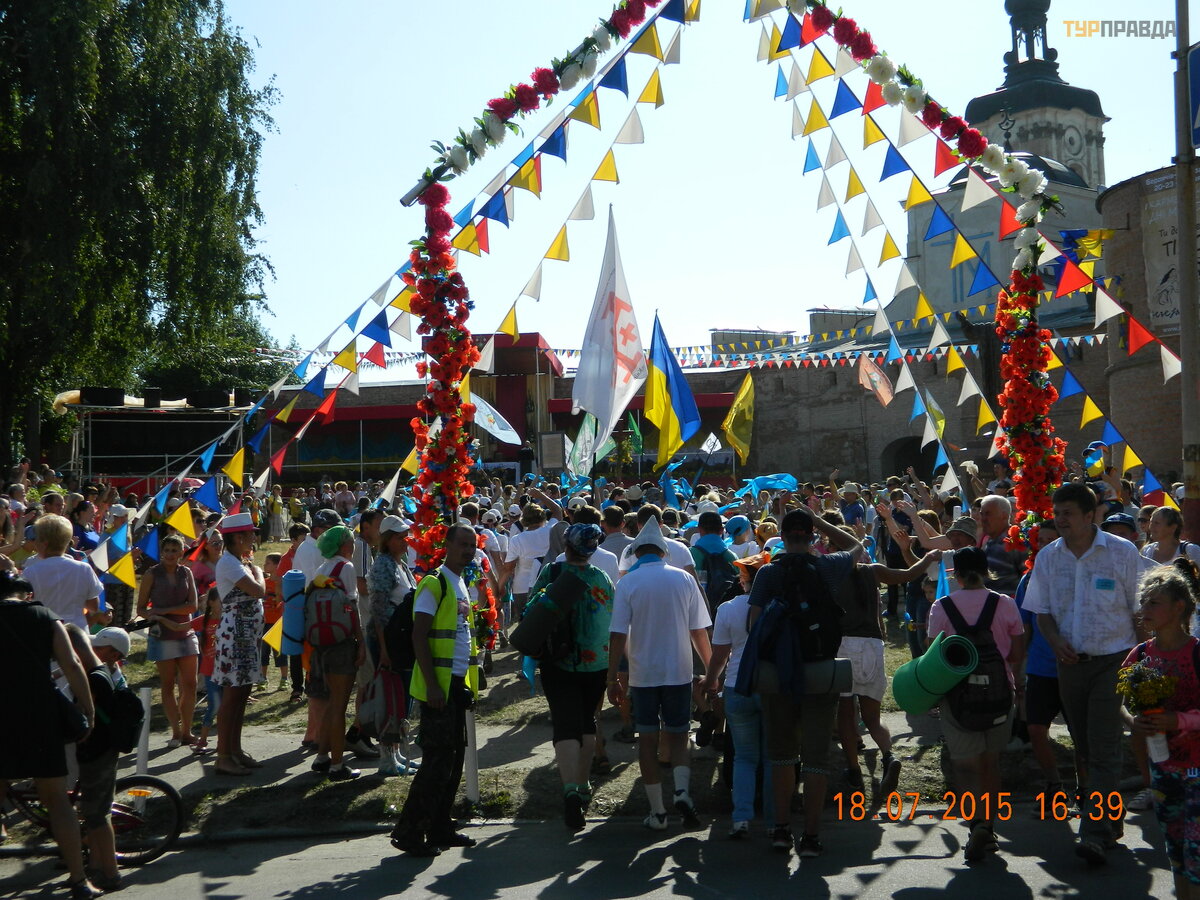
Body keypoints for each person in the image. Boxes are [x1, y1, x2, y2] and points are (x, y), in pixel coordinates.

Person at [1022, 482, 1151, 866]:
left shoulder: (1122, 552)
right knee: (1086, 746)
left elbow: (1139, 611)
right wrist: (1055, 641)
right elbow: (1042, 613)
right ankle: (1111, 820)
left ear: (1091, 515)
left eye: (1068, 513)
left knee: (1104, 742)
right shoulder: (1049, 557)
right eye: (1057, 513)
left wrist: (1143, 663)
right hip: (1070, 664)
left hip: (1115, 660)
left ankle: (1093, 832)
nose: (1061, 520)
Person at [747, 507, 863, 857]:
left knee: (782, 756)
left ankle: (782, 830)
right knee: (816, 757)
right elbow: (857, 545)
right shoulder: (827, 567)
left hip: (779, 673)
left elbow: (753, 625)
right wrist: (822, 521)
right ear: (812, 537)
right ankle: (811, 836)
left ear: (782, 538)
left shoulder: (768, 572)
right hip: (821, 670)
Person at [606, 519, 712, 832]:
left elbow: (617, 634)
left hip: (643, 674)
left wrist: (612, 678)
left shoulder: (627, 583)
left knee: (648, 740)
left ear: (636, 553)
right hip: (679, 671)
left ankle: (658, 811)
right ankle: (681, 792)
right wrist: (711, 671)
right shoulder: (684, 579)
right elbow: (699, 631)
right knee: (679, 736)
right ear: (664, 552)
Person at [0, 570, 99, 899]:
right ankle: (79, 879)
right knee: (57, 801)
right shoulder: (44, 615)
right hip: (40, 716)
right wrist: (88, 709)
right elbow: (71, 663)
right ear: (26, 594)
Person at [926, 546, 1025, 862]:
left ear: (955, 574)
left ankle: (976, 824)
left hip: (958, 698)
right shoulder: (1005, 604)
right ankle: (990, 827)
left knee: (965, 766)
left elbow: (931, 658)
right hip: (1000, 695)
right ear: (986, 572)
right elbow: (1016, 653)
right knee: (990, 763)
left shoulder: (942, 607)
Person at [391, 524, 481, 857]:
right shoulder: (435, 583)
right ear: (447, 545)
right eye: (463, 544)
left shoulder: (460, 583)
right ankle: (410, 832)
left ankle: (441, 826)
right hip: (438, 688)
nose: (468, 550)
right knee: (436, 763)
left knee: (453, 760)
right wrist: (432, 685)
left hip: (455, 685)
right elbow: (419, 636)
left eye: (472, 545)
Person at [525, 523, 614, 832]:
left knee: (565, 724)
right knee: (587, 721)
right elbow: (611, 619)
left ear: (567, 546)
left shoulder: (552, 573)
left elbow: (531, 612)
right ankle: (583, 782)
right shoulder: (601, 578)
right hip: (596, 662)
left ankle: (570, 791)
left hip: (558, 661)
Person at [1122, 559, 1200, 899]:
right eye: (1144, 602)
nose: (1145, 609)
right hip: (1163, 769)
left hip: (1197, 769)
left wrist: (1178, 720)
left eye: (1154, 602)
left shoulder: (1197, 652)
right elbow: (1121, 702)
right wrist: (1133, 721)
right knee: (1176, 854)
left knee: (1196, 856)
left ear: (1179, 606)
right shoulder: (1140, 655)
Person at [701, 551, 773, 838]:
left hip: (737, 686)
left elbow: (720, 655)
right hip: (770, 687)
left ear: (743, 580)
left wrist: (710, 681)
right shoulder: (777, 605)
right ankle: (774, 821)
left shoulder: (728, 608)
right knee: (772, 757)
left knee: (744, 757)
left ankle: (741, 818)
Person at [69, 625, 127, 893]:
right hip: (101, 750)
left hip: (97, 752)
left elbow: (82, 713)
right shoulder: (101, 672)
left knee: (97, 815)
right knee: (94, 812)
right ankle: (94, 866)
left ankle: (111, 873)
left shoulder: (94, 678)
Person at [310, 524, 366, 782]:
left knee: (331, 703)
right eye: (351, 542)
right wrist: (361, 642)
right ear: (345, 545)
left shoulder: (322, 569)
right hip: (341, 641)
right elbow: (352, 607)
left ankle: (322, 756)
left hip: (320, 643)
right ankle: (337, 764)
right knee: (339, 705)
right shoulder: (346, 567)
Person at [212, 513, 267, 776]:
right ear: (237, 537)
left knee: (242, 694)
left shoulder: (238, 561)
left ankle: (234, 749)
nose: (254, 537)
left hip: (245, 636)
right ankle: (223, 755)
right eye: (250, 533)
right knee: (232, 697)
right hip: (235, 636)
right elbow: (258, 590)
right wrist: (259, 573)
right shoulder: (229, 563)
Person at [136, 533, 200, 748]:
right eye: (167, 550)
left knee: (190, 684)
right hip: (162, 635)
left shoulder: (186, 572)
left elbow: (193, 606)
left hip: (186, 633)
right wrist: (154, 615)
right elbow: (141, 608)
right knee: (167, 684)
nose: (170, 554)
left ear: (182, 552)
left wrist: (163, 611)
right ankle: (176, 731)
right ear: (161, 552)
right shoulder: (151, 574)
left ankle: (187, 731)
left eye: (174, 550)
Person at [369, 515, 419, 777]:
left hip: (401, 639)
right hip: (388, 639)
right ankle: (386, 757)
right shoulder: (383, 565)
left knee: (402, 698)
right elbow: (377, 610)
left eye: (405, 536)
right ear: (387, 540)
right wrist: (384, 650)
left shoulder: (401, 564)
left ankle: (396, 752)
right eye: (399, 537)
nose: (404, 541)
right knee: (390, 698)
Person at [21, 514, 104, 629]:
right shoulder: (83, 569)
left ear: (44, 543)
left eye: (37, 539)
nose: (35, 543)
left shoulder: (30, 571)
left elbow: (24, 605)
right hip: (77, 630)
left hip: (44, 629)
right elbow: (94, 606)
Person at [502, 503, 550, 615]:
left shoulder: (517, 539)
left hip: (522, 587)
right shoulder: (550, 531)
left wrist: (500, 586)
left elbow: (508, 568)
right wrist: (540, 496)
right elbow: (557, 511)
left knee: (523, 622)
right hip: (547, 584)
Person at [194, 587, 222, 755]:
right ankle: (202, 740)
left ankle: (222, 742)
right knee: (214, 705)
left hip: (226, 671)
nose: (224, 604)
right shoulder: (203, 621)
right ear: (211, 603)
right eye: (221, 601)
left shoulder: (228, 619)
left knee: (225, 708)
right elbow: (181, 627)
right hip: (210, 671)